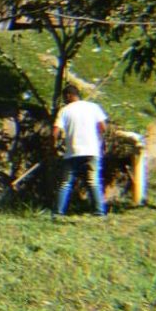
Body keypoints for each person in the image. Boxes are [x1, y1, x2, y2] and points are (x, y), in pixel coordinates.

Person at [52, 84, 108, 217]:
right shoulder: (94, 107)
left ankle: (58, 213)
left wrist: (53, 147)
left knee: (65, 183)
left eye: (64, 97)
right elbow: (103, 127)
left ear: (68, 96)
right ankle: (99, 212)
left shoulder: (64, 111)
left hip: (72, 152)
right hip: (92, 150)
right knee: (93, 182)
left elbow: (55, 132)